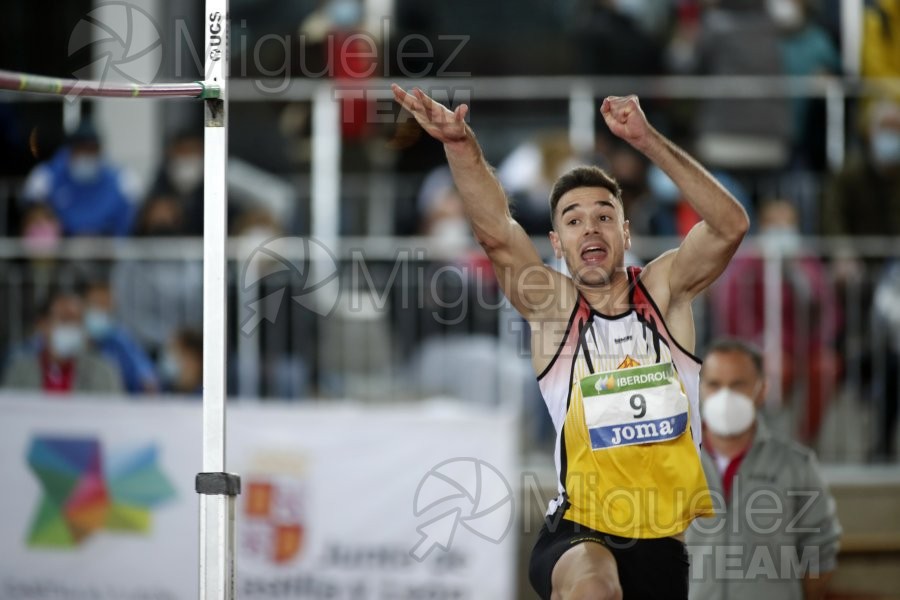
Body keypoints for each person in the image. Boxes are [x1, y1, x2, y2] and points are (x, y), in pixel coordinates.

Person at [392, 86, 749, 599]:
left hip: (663, 544)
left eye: (604, 216)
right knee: (594, 590)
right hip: (579, 532)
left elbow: (730, 224)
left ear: (625, 231)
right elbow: (495, 231)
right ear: (557, 243)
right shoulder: (555, 309)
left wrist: (647, 141)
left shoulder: (665, 294)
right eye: (574, 220)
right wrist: (461, 146)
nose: (590, 228)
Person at [687, 339, 841, 600]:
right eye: (714, 384)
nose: (725, 395)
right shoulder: (674, 462)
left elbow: (819, 554)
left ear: (762, 389)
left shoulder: (796, 465)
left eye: (738, 384)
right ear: (699, 388)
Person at [711, 199, 841, 443]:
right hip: (763, 350)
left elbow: (828, 309)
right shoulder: (745, 264)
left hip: (805, 347)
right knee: (771, 371)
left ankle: (805, 441)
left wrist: (799, 274)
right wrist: (755, 346)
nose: (782, 231)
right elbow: (732, 311)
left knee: (826, 367)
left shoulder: (807, 262)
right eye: (775, 224)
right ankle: (755, 442)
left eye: (787, 224)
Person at [21, 121, 136, 236]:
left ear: (100, 151)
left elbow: (125, 228)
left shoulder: (121, 180)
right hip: (60, 248)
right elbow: (33, 216)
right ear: (70, 150)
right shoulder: (45, 177)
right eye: (81, 149)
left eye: (91, 149)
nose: (86, 155)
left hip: (105, 247)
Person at [2, 288, 123, 394]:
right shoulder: (20, 372)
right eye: (65, 319)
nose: (72, 327)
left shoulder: (103, 373)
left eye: (77, 321)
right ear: (43, 324)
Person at [83, 279, 159, 394]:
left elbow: (148, 379)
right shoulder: (71, 339)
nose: (101, 311)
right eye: (97, 304)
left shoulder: (121, 341)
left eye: (106, 306)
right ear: (85, 305)